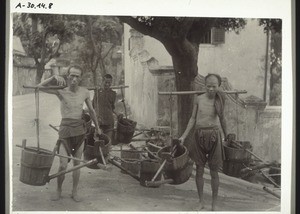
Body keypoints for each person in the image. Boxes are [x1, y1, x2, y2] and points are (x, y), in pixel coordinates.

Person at [38, 65, 102, 202]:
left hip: (79, 132)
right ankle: (59, 190)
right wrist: (53, 77)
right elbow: (39, 87)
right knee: (62, 164)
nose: (74, 79)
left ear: (80, 78)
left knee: (77, 165)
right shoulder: (61, 91)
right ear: (68, 76)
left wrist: (97, 127)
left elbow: (91, 111)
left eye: (77, 76)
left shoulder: (84, 92)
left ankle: (74, 191)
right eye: (72, 75)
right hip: (65, 131)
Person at [178, 73, 227, 211]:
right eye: (208, 86)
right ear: (205, 85)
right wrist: (183, 136)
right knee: (199, 170)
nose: (211, 89)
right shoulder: (199, 99)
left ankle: (214, 204)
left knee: (214, 171)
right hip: (198, 135)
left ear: (219, 86)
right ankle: (201, 202)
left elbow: (222, 119)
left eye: (214, 86)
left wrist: (227, 135)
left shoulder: (220, 100)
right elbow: (193, 119)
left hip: (214, 136)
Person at [92, 74, 122, 142]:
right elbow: (93, 106)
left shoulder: (113, 94)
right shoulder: (97, 92)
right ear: (102, 81)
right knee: (99, 142)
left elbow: (112, 107)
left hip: (109, 121)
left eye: (109, 83)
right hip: (99, 121)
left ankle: (107, 152)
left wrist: (118, 114)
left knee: (108, 142)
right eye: (106, 82)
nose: (107, 84)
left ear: (111, 82)